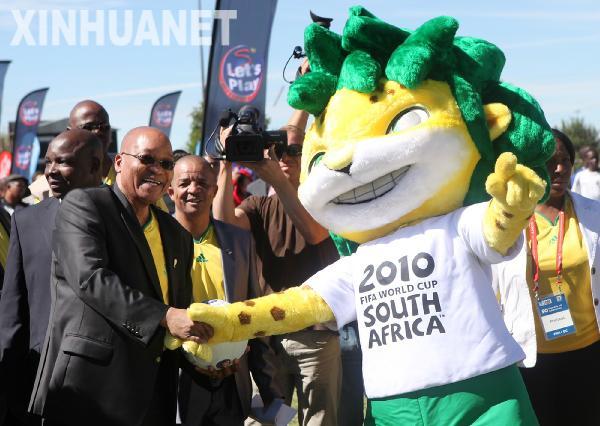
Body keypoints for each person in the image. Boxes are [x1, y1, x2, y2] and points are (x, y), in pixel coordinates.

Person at [29, 126, 208, 426]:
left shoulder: (177, 234)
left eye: (166, 164)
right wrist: (165, 316)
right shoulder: (85, 205)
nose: (157, 170)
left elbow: (179, 309)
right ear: (119, 162)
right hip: (91, 393)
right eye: (146, 159)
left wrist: (206, 357)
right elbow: (91, 279)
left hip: (154, 397)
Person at [213, 108, 342, 426]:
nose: (285, 157)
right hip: (267, 335)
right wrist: (226, 161)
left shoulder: (324, 200)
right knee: (263, 420)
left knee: (320, 421)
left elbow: (314, 233)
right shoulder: (258, 205)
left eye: (294, 150)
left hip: (316, 335)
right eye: (279, 149)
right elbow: (223, 223)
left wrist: (277, 179)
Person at [494, 129, 600, 425]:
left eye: (566, 160)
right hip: (531, 357)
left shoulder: (593, 214)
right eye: (550, 161)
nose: (560, 168)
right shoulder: (506, 220)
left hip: (589, 352)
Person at [169, 155, 282, 425]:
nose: (193, 189)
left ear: (214, 190)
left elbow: (255, 315)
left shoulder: (239, 241)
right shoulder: (157, 240)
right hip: (178, 381)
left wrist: (271, 393)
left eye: (202, 183)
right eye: (184, 183)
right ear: (170, 191)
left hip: (232, 380)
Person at [0, 129, 103, 426]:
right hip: (37, 379)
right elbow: (14, 307)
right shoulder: (26, 220)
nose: (51, 171)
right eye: (48, 162)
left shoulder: (123, 218)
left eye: (63, 162)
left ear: (94, 166)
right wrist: (8, 380)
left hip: (102, 383)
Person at [67, 100, 113, 180]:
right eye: (88, 127)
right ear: (69, 132)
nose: (98, 132)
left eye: (104, 127)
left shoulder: (127, 173)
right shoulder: (55, 181)